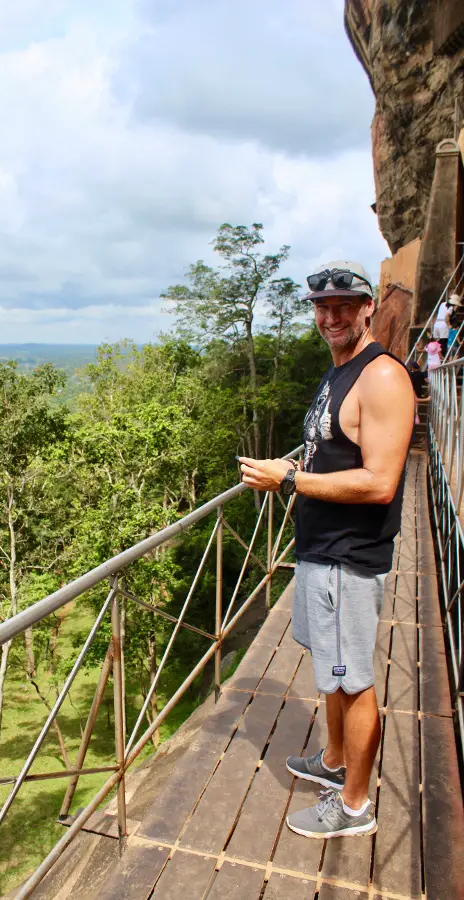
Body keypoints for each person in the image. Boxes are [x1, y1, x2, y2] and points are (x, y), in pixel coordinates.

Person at [238, 260, 414, 840]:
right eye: (323, 307)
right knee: (332, 674)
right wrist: (293, 467)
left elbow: (379, 481)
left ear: (369, 308)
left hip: (347, 559)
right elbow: (332, 453)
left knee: (352, 678)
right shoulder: (339, 370)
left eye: (345, 305)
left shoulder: (381, 377)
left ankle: (355, 805)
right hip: (320, 551)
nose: (332, 316)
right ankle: (335, 760)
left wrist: (286, 481)